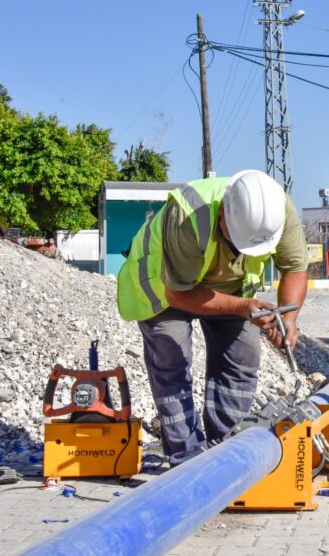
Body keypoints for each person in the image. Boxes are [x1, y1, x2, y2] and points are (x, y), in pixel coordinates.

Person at [116, 170, 309, 465]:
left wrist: (289, 317)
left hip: (231, 291)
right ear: (222, 215)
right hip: (167, 288)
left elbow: (295, 267)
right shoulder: (188, 215)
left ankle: (228, 451)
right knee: (173, 360)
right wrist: (242, 306)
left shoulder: (278, 210)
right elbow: (179, 295)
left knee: (241, 359)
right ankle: (186, 457)